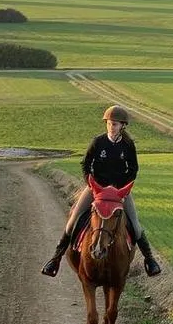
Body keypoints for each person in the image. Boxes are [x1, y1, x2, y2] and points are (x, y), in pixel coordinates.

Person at [41, 105, 161, 278]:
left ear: (122, 126)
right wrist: (91, 184)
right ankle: (55, 259)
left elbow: (133, 169)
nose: (111, 127)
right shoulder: (98, 141)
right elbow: (86, 163)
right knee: (73, 219)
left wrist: (123, 188)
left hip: (119, 193)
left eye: (115, 124)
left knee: (135, 224)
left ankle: (150, 260)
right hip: (96, 189)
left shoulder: (128, 145)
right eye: (109, 124)